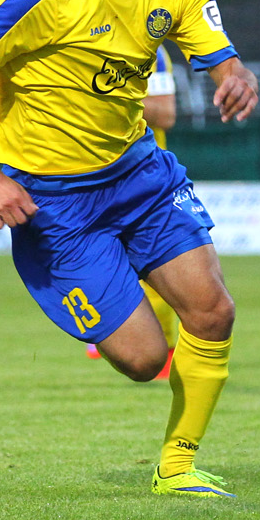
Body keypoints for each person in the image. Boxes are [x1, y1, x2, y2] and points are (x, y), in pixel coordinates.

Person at [0, 0, 259, 498]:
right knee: (143, 360)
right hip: (53, 203)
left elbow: (220, 57)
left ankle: (177, 465)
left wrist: (235, 76)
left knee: (213, 312)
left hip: (136, 173)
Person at [84, 44, 180, 378]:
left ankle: (164, 354)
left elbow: (165, 113)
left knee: (157, 270)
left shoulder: (151, 51)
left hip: (142, 178)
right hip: (88, 175)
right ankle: (112, 330)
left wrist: (102, 94)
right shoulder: (78, 42)